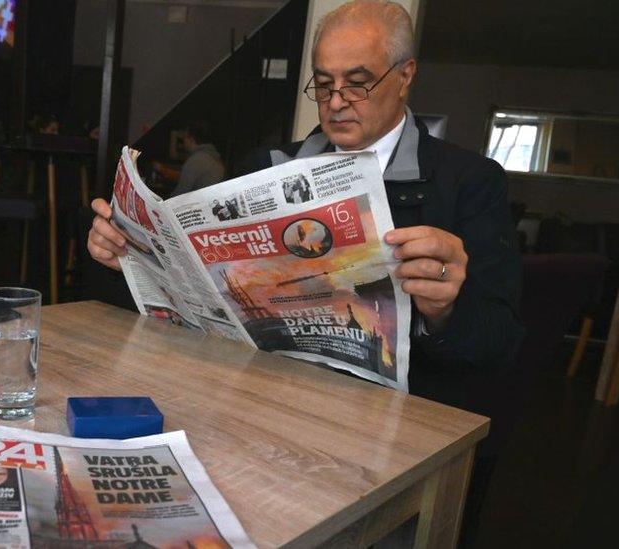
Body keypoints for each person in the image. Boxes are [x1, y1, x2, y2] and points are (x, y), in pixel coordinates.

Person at [88, 2, 522, 543]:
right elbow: (195, 296)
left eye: (358, 83)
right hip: (256, 420)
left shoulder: (469, 183)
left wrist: (445, 311)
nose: (336, 103)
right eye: (323, 84)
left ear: (405, 76)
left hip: (382, 445)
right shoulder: (267, 165)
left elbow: (500, 344)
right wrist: (127, 253)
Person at [152, 122, 225, 197]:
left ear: (191, 139)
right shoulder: (213, 155)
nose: (183, 141)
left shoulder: (197, 160)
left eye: (184, 137)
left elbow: (179, 195)